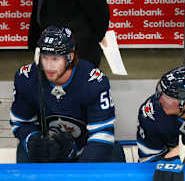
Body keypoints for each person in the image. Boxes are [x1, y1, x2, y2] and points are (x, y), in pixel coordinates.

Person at [10, 26, 124, 163]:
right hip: (47, 152)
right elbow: (21, 122)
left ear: (69, 57)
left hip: (84, 149)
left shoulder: (93, 82)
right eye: (45, 58)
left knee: (112, 153)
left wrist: (76, 171)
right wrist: (33, 141)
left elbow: (102, 135)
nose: (49, 66)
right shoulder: (26, 78)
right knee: (24, 151)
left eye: (55, 59)